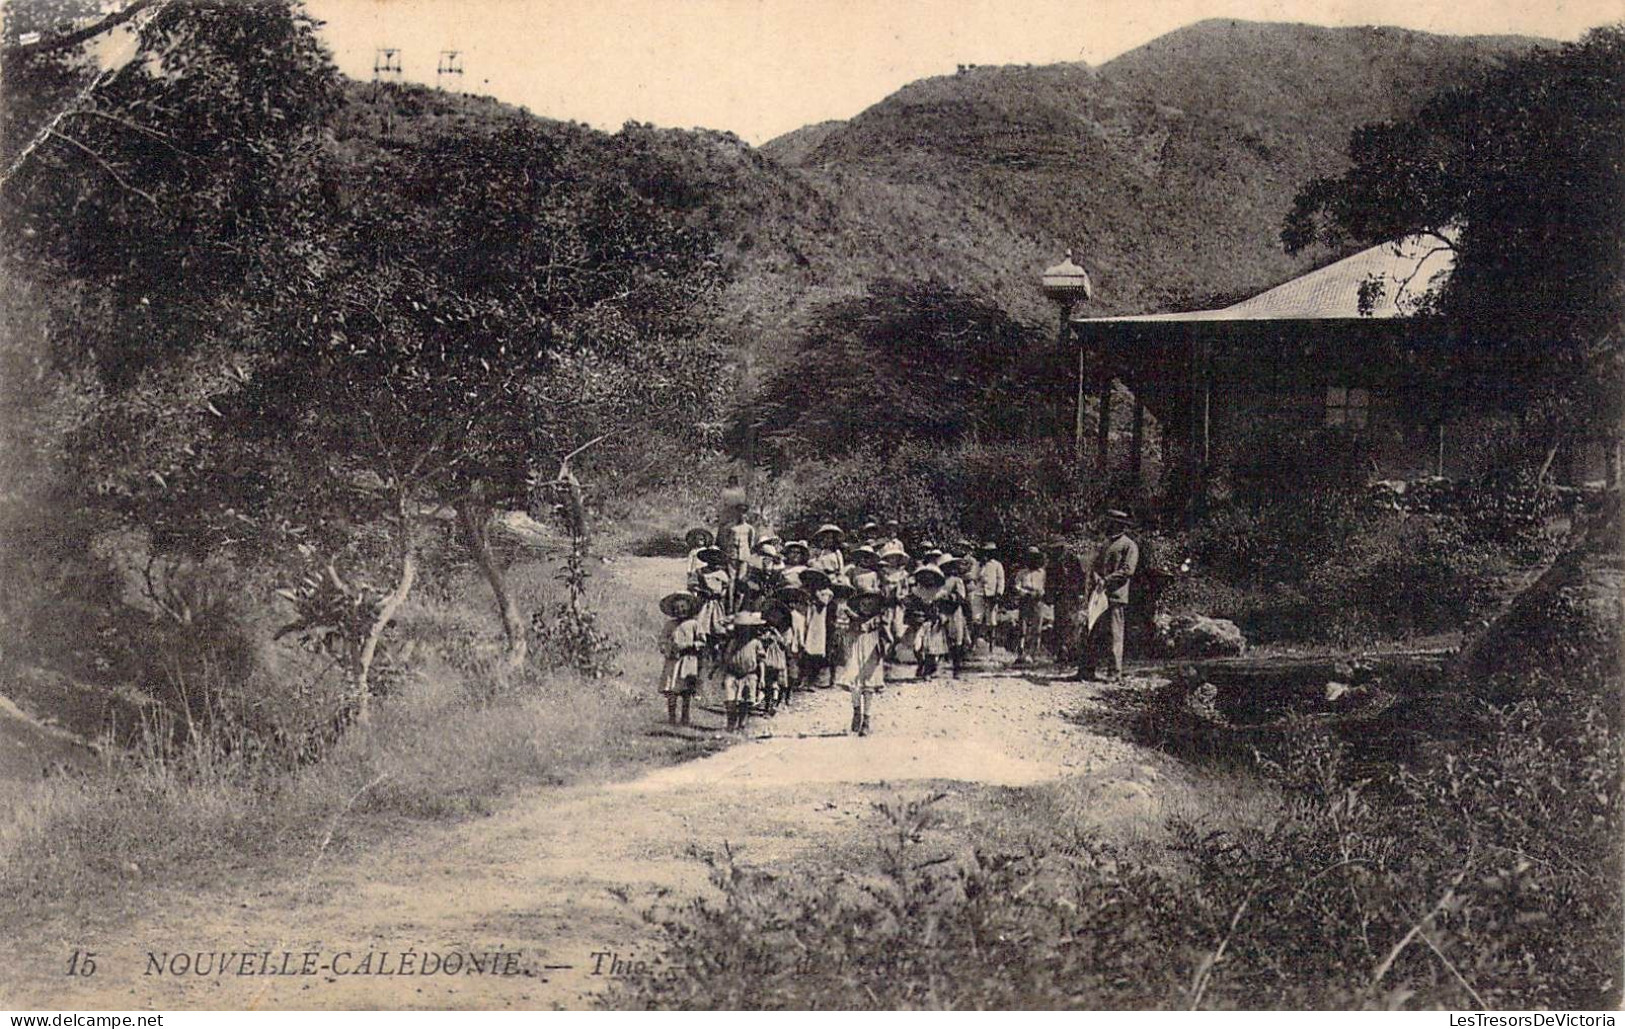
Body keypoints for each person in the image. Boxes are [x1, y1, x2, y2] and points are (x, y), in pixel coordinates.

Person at [1080, 510, 1140, 682]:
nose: (1109, 525)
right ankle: (1086, 671)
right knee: (1092, 631)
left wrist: (1107, 580)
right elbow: (1096, 566)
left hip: (1116, 595)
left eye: (1113, 523)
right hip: (1100, 596)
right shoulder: (1106, 544)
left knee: (1115, 634)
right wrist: (1097, 578)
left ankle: (1114, 673)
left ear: (1122, 525)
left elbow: (1128, 570)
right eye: (1109, 522)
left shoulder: (1129, 545)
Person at [838, 591, 889, 735]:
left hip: (871, 653)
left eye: (870, 604)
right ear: (858, 605)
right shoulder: (852, 620)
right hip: (856, 650)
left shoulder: (877, 619)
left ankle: (866, 719)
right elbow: (847, 631)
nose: (867, 607)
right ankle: (856, 711)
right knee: (853, 682)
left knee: (868, 685)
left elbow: (864, 625)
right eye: (863, 604)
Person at [658, 593, 702, 726]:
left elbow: (701, 641)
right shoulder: (670, 625)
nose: (680, 610)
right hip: (673, 661)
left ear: (689, 608)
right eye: (676, 608)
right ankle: (671, 717)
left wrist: (692, 646)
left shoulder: (694, 624)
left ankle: (685, 717)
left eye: (683, 607)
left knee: (686, 689)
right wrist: (668, 648)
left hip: (688, 660)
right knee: (672, 688)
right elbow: (662, 641)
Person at [1046, 538, 1091, 667]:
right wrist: (1049, 597)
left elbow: (1080, 577)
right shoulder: (1053, 563)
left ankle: (1072, 653)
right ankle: (1062, 652)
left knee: (1072, 624)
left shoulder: (1072, 560)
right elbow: (1050, 581)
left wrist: (1081, 594)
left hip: (1072, 596)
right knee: (1059, 623)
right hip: (1059, 597)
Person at [721, 612, 766, 732]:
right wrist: (722, 674)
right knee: (730, 701)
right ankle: (731, 722)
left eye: (746, 629)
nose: (743, 631)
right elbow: (726, 658)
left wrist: (762, 678)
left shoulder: (756, 643)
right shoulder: (733, 642)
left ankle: (742, 723)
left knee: (745, 702)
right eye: (741, 628)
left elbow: (761, 661)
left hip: (749, 675)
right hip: (733, 674)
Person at [907, 562, 949, 680]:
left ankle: (928, 671)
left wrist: (941, 616)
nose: (928, 578)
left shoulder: (939, 592)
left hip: (934, 623)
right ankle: (921, 663)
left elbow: (944, 607)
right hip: (920, 622)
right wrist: (914, 614)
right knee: (917, 647)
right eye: (925, 575)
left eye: (931, 576)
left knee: (932, 648)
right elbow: (910, 606)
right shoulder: (916, 591)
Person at [797, 569, 835, 689]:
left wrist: (816, 594)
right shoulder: (805, 591)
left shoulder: (825, 592)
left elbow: (824, 602)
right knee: (803, 650)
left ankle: (812, 680)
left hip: (817, 624)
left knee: (815, 651)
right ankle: (802, 679)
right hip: (805, 622)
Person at [1012, 547, 1047, 667]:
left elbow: (1044, 587)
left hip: (1038, 602)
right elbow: (1016, 586)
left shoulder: (1042, 573)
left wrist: (1040, 593)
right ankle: (1021, 653)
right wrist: (1026, 593)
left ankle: (1032, 654)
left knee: (1037, 628)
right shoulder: (1022, 573)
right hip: (1025, 601)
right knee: (1023, 627)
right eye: (1029, 557)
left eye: (1034, 557)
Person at [940, 555, 973, 677]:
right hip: (943, 611)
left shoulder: (957, 580)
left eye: (950, 565)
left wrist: (949, 597)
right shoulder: (940, 580)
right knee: (943, 639)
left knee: (957, 639)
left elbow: (961, 597)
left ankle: (957, 667)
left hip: (955, 611)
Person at [970, 542, 1005, 653]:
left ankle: (991, 646)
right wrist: (981, 568)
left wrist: (998, 593)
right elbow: (973, 577)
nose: (988, 554)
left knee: (991, 621)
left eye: (990, 552)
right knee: (976, 619)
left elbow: (1001, 580)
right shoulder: (978, 565)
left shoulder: (997, 565)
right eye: (986, 552)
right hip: (979, 594)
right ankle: (973, 645)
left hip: (992, 595)